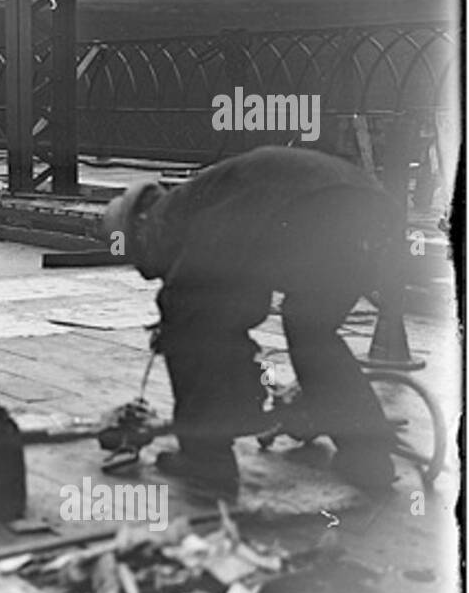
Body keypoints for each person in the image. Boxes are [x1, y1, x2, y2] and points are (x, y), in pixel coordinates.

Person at [99, 146, 403, 500]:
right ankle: (370, 458)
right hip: (369, 208)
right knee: (311, 330)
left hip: (317, 207)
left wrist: (176, 328)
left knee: (187, 327)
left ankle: (206, 459)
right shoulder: (204, 197)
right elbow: (244, 299)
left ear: (140, 226)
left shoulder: (179, 212)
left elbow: (200, 301)